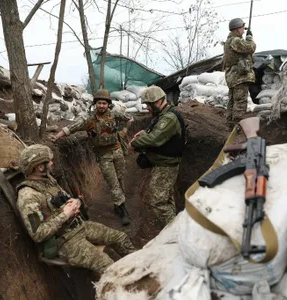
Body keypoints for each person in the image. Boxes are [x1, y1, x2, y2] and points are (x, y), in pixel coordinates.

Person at [16, 144, 136, 274]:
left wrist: (76, 202)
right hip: (65, 241)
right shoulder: (28, 196)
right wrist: (65, 214)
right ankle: (129, 290)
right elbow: (38, 234)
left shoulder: (48, 180)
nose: (52, 163)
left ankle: (142, 266)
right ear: (39, 167)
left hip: (78, 226)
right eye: (49, 161)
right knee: (107, 265)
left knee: (120, 238)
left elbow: (63, 200)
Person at [54, 89, 132, 226]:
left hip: (117, 151)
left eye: (104, 103)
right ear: (95, 104)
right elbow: (72, 127)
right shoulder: (89, 119)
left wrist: (124, 131)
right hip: (103, 156)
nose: (102, 106)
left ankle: (119, 202)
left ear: (108, 104)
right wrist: (56, 137)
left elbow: (129, 119)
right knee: (113, 182)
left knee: (120, 179)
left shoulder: (115, 114)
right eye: (99, 103)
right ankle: (121, 208)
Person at [129, 86, 185, 227]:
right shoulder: (163, 115)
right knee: (166, 199)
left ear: (160, 101)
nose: (147, 108)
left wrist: (134, 143)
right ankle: (173, 224)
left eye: (150, 104)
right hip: (163, 163)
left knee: (157, 201)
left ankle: (173, 231)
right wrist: (143, 132)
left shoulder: (169, 118)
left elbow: (154, 139)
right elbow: (156, 131)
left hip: (166, 166)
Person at [223, 17, 256, 130]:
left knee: (232, 101)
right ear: (237, 29)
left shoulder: (230, 41)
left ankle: (230, 126)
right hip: (239, 77)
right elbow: (250, 48)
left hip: (233, 77)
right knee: (240, 102)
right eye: (242, 28)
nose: (243, 30)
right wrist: (250, 39)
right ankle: (237, 127)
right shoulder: (235, 40)